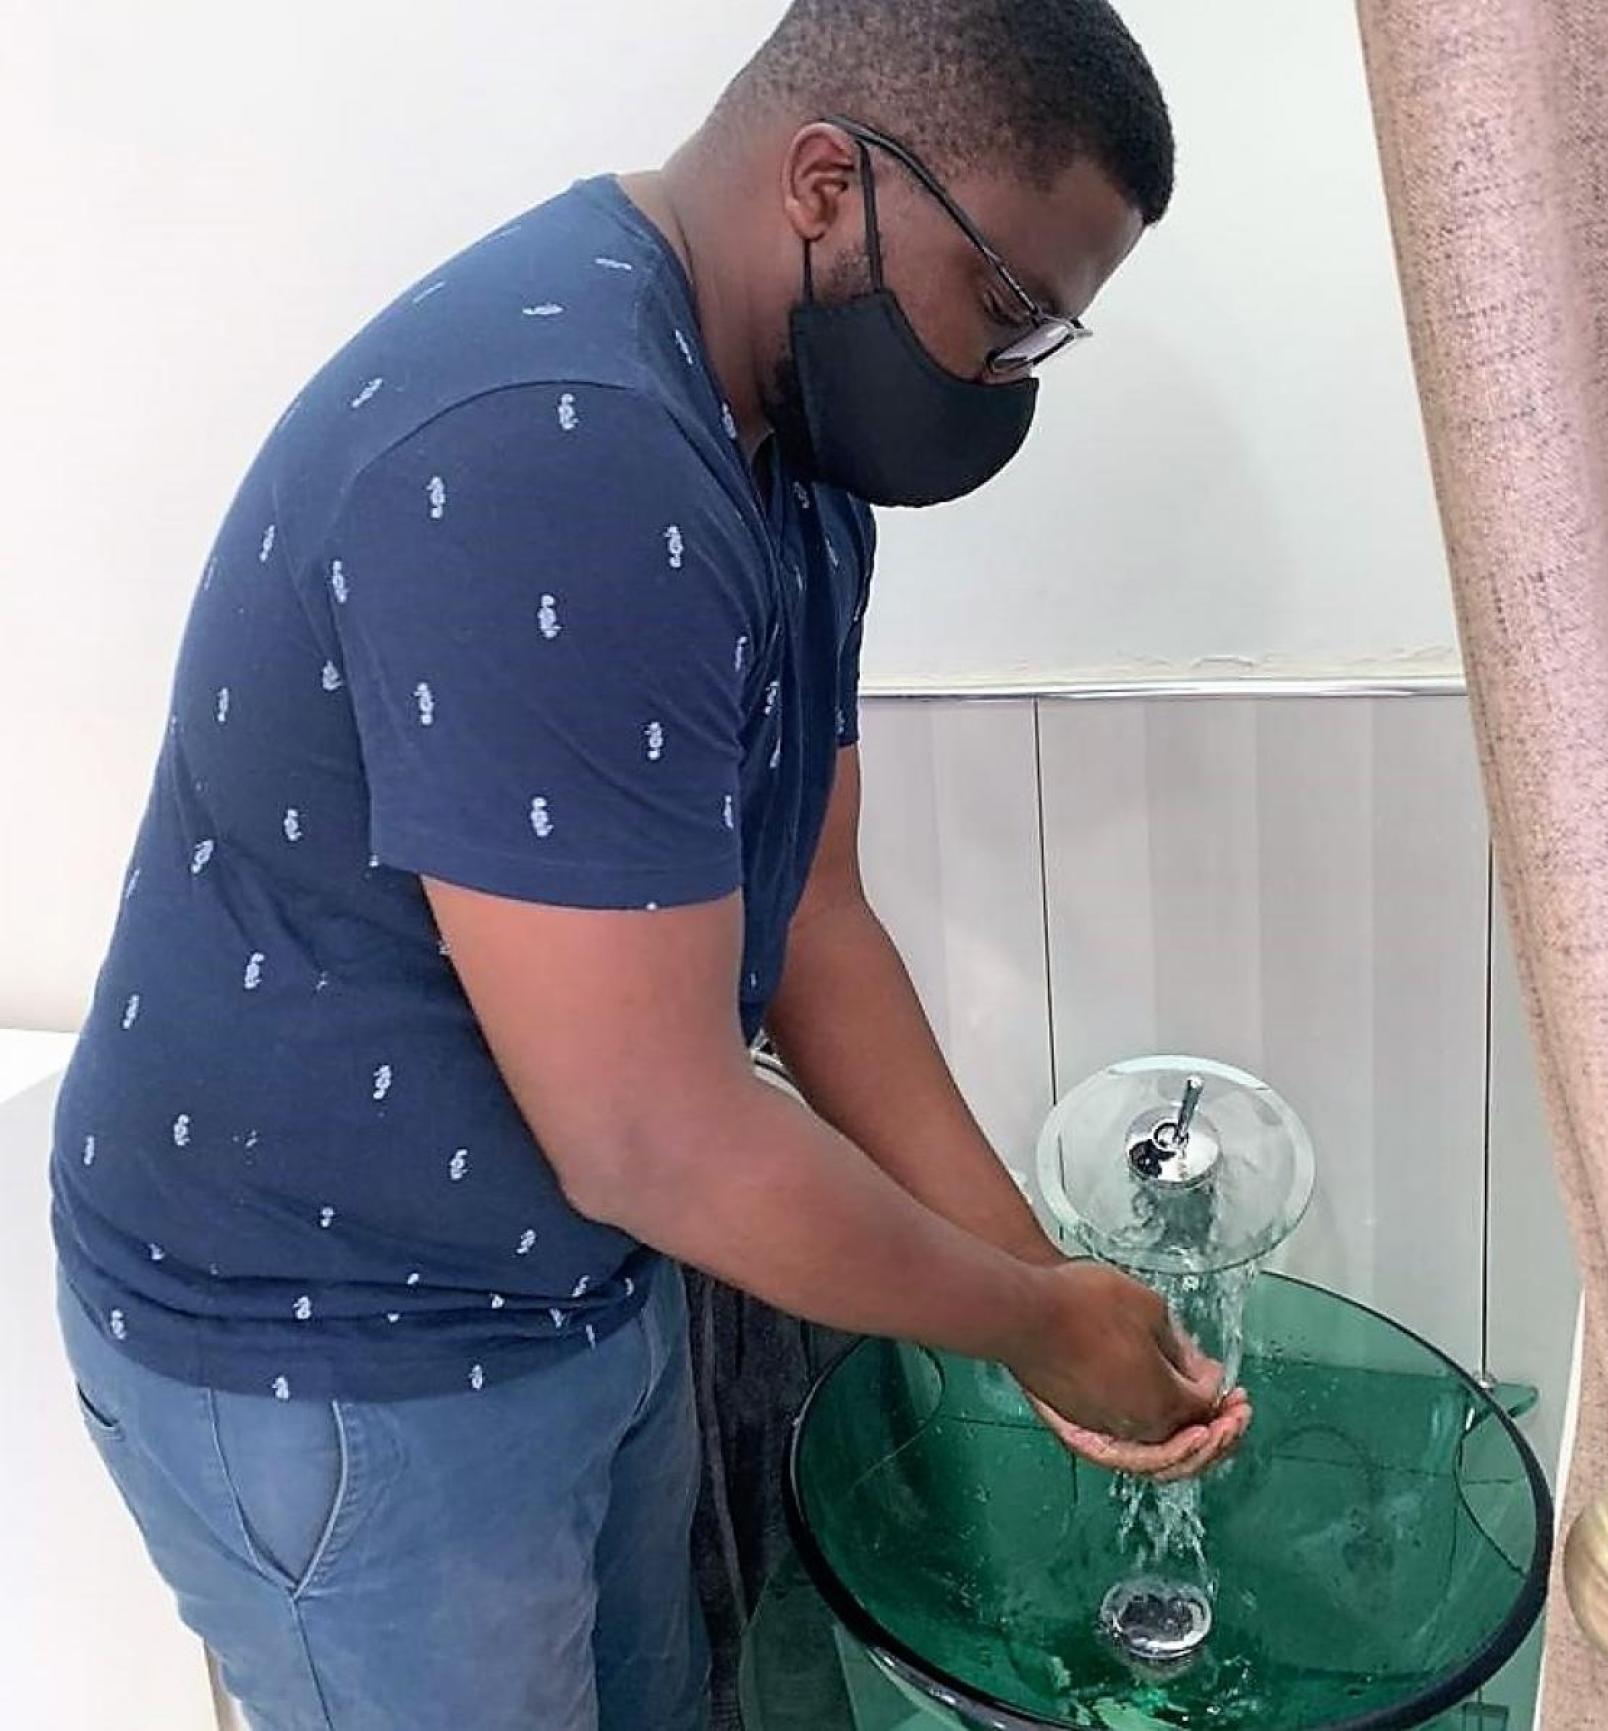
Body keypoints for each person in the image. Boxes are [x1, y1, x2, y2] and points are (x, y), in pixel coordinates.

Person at [50, 2, 1250, 1726]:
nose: (995, 380)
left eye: (1042, 337)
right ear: (827, 183)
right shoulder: (560, 441)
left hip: (576, 1276)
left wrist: (1055, 1298)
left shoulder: (791, 444)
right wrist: (1026, 1324)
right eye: (1001, 308)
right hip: (336, 1347)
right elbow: (652, 1134)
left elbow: (815, 922)